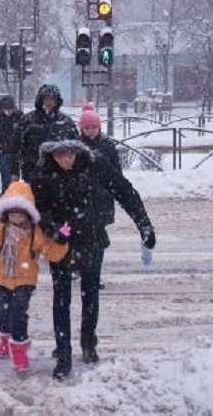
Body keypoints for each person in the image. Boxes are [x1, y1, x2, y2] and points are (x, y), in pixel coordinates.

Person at [32, 139, 156, 380]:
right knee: (62, 298)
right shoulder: (44, 171)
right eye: (59, 155)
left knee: (90, 293)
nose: (65, 160)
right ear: (51, 153)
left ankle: (88, 342)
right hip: (61, 243)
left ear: (78, 150)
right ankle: (64, 351)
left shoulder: (95, 164)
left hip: (92, 238)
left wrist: (145, 225)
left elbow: (125, 191)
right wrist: (51, 228)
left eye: (70, 154)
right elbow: (38, 207)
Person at [0, 181, 68, 374]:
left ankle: (19, 349)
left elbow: (52, 252)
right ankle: (5, 338)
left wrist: (61, 241)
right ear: (6, 214)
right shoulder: (0, 230)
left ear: (28, 214)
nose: (16, 217)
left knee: (19, 313)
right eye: (12, 213)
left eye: (20, 213)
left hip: (25, 279)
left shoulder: (35, 233)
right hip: (2, 278)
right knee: (3, 313)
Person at [79, 102, 121, 289]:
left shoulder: (107, 145)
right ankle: (82, 268)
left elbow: (116, 171)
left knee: (98, 239)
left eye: (93, 127)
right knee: (78, 236)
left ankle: (94, 272)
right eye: (86, 128)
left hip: (101, 200)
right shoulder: (77, 146)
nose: (90, 131)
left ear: (99, 127)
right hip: (80, 201)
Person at [11, 84, 78, 182]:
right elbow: (15, 147)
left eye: (52, 99)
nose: (49, 102)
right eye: (46, 98)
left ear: (57, 101)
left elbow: (75, 147)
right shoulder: (28, 120)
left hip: (59, 173)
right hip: (32, 171)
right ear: (41, 100)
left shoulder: (66, 122)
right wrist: (14, 171)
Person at [0, 95, 22, 194]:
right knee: (6, 177)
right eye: (6, 109)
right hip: (2, 151)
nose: (8, 112)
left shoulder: (19, 117)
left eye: (10, 109)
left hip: (15, 152)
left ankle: (11, 194)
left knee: (15, 177)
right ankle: (6, 194)